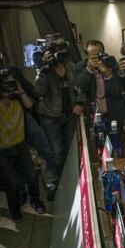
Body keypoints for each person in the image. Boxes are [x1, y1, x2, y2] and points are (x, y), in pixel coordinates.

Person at [0, 74, 46, 223]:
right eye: (5, 85)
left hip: (20, 144)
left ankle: (35, 200)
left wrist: (20, 90)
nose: (8, 88)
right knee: (12, 182)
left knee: (31, 175)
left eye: (10, 84)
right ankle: (15, 208)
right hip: (0, 149)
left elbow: (30, 107)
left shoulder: (17, 98)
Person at [35, 33, 85, 194]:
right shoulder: (44, 70)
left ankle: (67, 180)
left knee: (69, 150)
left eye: (64, 49)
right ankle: (51, 183)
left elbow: (79, 89)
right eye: (58, 50)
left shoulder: (71, 66)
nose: (61, 53)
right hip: (51, 118)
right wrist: (44, 68)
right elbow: (38, 91)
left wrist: (79, 102)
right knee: (54, 152)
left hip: (70, 116)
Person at [76, 40, 125, 127]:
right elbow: (80, 89)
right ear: (87, 56)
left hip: (115, 114)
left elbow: (117, 91)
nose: (97, 58)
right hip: (94, 116)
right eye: (93, 56)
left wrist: (108, 75)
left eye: (99, 54)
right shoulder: (81, 67)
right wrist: (89, 70)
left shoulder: (111, 64)